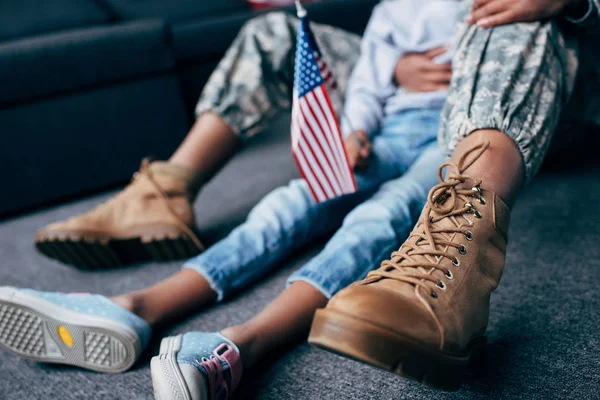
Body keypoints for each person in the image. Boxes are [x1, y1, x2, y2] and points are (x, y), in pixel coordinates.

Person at [0, 1, 460, 399]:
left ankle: (245, 343)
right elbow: (367, 82)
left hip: (454, 137)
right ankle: (139, 306)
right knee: (291, 202)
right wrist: (353, 130)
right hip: (391, 128)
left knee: (383, 216)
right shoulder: (395, 9)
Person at [308, 0, 599, 391]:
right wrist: (392, 70)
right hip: (443, 101)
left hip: (574, 86)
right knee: (276, 32)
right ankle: (191, 183)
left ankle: (459, 244)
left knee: (501, 10)